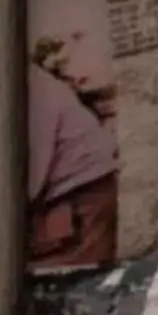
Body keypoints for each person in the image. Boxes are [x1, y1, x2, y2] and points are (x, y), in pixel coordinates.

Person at [28, 44, 119, 268]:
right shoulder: (37, 82)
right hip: (77, 195)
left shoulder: (34, 88)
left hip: (81, 200)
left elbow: (31, 180)